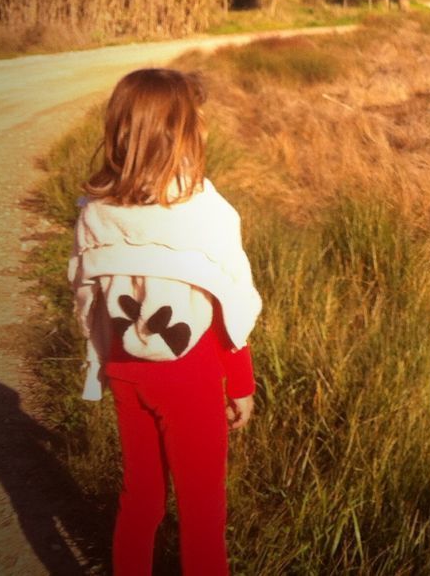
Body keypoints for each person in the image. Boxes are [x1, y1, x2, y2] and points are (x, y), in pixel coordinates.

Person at [68, 68, 263, 576]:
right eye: (199, 122)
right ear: (181, 134)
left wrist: (103, 358)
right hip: (190, 378)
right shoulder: (205, 212)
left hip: (125, 370)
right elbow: (227, 304)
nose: (207, 131)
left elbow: (87, 294)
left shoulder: (96, 210)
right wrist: (240, 382)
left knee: (141, 498)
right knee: (202, 509)